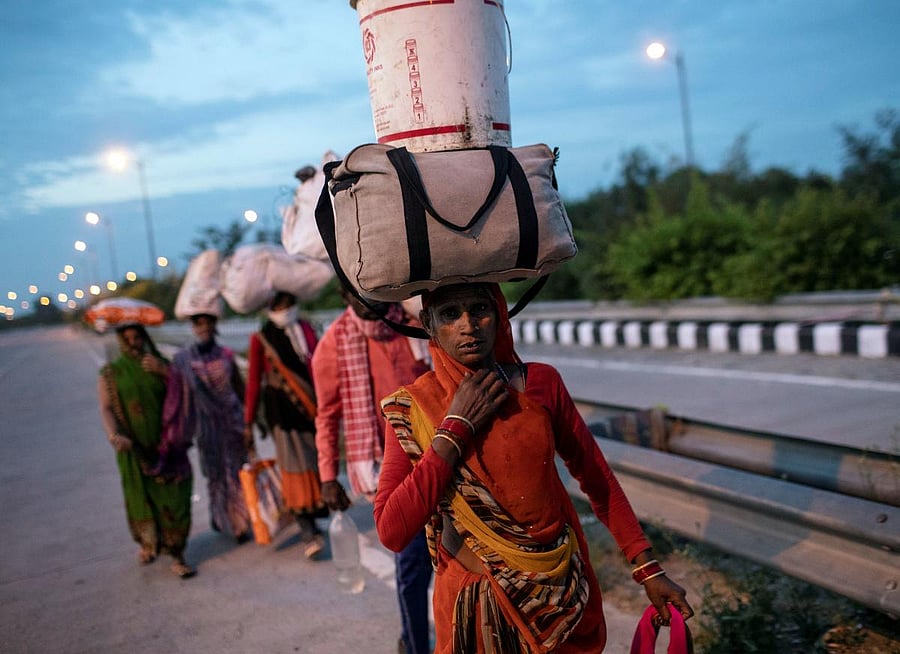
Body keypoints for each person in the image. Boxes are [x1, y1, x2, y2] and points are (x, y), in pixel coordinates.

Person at [374, 283, 694, 652]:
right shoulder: (413, 407)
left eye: (480, 308)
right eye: (450, 314)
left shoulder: (541, 383)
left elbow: (597, 479)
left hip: (561, 595)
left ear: (500, 315)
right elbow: (392, 530)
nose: (468, 325)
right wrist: (454, 429)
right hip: (477, 607)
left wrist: (648, 568)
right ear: (429, 324)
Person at [311, 290, 433, 654]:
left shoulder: (415, 324)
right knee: (412, 562)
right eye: (355, 287)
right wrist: (328, 475)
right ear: (344, 292)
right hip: (387, 469)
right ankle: (414, 644)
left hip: (437, 454)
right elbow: (327, 415)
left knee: (452, 559)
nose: (366, 294)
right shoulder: (333, 344)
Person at [97, 323, 195, 578]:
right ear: (120, 341)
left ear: (144, 338)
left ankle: (177, 553)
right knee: (144, 501)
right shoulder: (111, 373)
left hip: (167, 448)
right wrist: (113, 434)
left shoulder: (160, 364)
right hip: (133, 449)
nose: (133, 342)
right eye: (127, 338)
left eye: (137, 337)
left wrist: (164, 372)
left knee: (175, 500)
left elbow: (186, 393)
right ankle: (150, 544)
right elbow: (106, 408)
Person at [244, 292, 328, 557]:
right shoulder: (262, 339)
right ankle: (308, 531)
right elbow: (254, 381)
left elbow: (320, 366)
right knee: (295, 468)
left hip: (312, 410)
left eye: (289, 304)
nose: (285, 310)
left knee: (315, 465)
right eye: (279, 306)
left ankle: (313, 517)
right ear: (270, 309)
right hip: (282, 415)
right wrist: (248, 422)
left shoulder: (306, 330)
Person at [158, 313, 252, 542]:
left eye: (208, 323)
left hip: (232, 424)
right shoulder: (183, 360)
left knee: (235, 473)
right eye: (199, 324)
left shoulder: (226, 355)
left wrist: (250, 423)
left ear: (215, 326)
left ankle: (240, 523)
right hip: (206, 428)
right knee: (215, 475)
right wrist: (161, 372)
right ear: (193, 327)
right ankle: (221, 516)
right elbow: (176, 390)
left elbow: (240, 390)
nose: (204, 328)